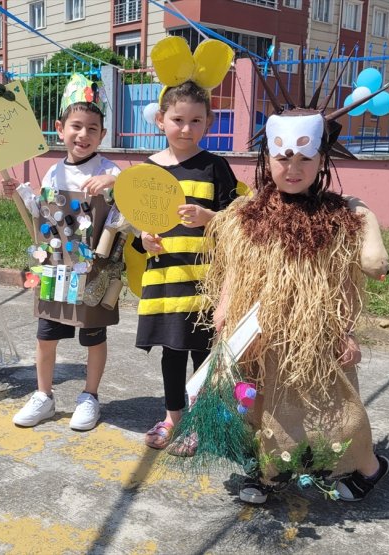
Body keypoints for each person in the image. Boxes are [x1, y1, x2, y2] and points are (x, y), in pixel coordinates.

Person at [189, 63, 389, 504]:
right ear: (268, 159)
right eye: (283, 157)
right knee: (256, 405)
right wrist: (224, 311)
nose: (293, 168)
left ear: (322, 160)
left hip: (314, 335)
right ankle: (264, 474)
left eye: (305, 157)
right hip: (256, 335)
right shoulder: (246, 216)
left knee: (335, 407)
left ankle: (369, 465)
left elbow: (351, 277)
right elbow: (236, 269)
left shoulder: (338, 217)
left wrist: (345, 329)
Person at [12, 80, 121, 432]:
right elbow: (43, 216)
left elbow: (132, 196)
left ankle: (90, 396)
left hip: (93, 273)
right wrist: (20, 196)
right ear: (60, 129)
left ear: (102, 134)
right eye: (76, 126)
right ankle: (44, 395)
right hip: (55, 270)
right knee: (46, 334)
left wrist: (110, 181)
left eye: (92, 128)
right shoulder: (53, 171)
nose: (83, 134)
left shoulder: (110, 170)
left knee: (94, 336)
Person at [135, 78, 238, 450]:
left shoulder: (216, 167)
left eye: (196, 121)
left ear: (208, 123)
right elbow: (136, 223)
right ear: (161, 120)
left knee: (203, 352)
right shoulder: (148, 171)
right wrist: (143, 239)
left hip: (206, 279)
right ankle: (172, 416)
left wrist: (208, 217)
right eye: (179, 119)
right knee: (172, 350)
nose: (186, 128)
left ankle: (200, 419)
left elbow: (238, 219)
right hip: (166, 277)